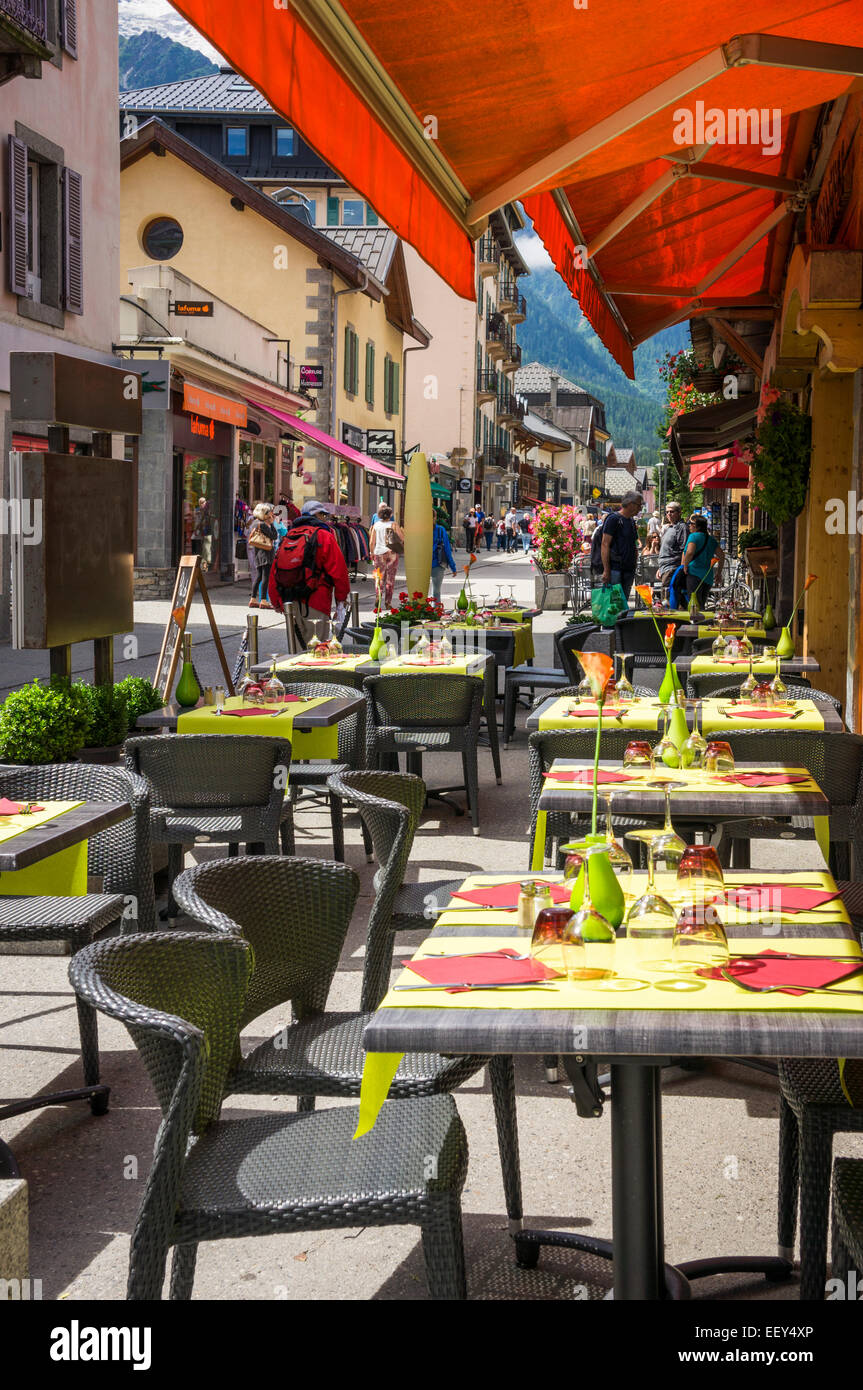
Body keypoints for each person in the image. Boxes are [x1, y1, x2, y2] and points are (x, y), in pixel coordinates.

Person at [268, 498, 350, 645]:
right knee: (318, 652)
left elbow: (275, 570)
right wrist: (341, 601)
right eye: (323, 515)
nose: (324, 518)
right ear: (317, 515)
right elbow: (339, 571)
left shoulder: (289, 536)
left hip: (290, 601)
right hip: (317, 600)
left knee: (297, 652)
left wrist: (277, 601)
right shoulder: (324, 536)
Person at [592, 490, 642, 602]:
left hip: (628, 569)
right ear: (630, 504)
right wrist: (606, 570)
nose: (640, 508)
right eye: (639, 505)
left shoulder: (631, 521)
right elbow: (605, 544)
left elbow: (633, 543)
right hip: (615, 569)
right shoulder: (613, 519)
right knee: (614, 604)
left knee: (623, 603)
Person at [683, 513, 724, 603]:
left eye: (691, 523)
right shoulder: (711, 539)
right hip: (707, 577)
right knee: (702, 603)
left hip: (694, 574)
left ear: (696, 526)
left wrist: (685, 566)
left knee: (694, 605)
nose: (689, 525)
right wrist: (718, 573)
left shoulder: (693, 536)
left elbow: (690, 552)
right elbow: (721, 555)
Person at [369, 502, 403, 608]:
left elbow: (371, 542)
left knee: (379, 577)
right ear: (390, 515)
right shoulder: (393, 525)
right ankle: (388, 602)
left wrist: (371, 553)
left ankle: (378, 596)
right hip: (391, 552)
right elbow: (402, 538)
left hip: (379, 553)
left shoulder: (376, 526)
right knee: (390, 578)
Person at [247, 502, 278, 609]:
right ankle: (264, 600)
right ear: (264, 514)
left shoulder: (255, 523)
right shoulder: (264, 525)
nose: (270, 515)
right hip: (266, 553)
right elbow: (274, 536)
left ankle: (253, 599)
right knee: (266, 577)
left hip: (258, 553)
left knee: (259, 577)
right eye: (268, 513)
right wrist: (273, 524)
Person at [656, 502, 688, 589]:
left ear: (679, 513)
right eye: (667, 512)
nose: (669, 514)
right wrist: (660, 568)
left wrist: (681, 569)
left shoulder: (682, 527)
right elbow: (665, 550)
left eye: (672, 511)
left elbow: (685, 550)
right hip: (665, 568)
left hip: (673, 568)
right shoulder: (670, 527)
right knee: (666, 597)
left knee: (669, 599)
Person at [430, 519, 457, 602]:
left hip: (422, 564)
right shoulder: (440, 530)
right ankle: (435, 612)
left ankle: (422, 612)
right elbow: (447, 549)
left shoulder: (419, 529)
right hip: (437, 563)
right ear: (435, 517)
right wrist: (453, 567)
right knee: (436, 592)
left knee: (419, 593)